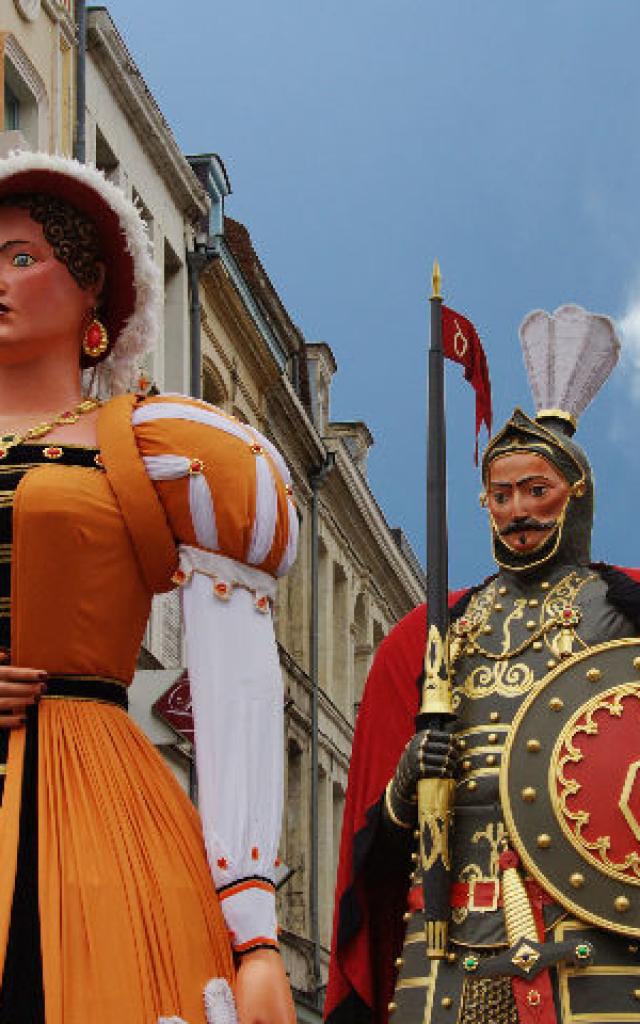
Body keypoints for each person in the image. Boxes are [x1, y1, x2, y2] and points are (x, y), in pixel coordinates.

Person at [0, 150, 297, 1024]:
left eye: (23, 257)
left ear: (94, 292)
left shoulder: (156, 446)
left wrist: (255, 931)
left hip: (92, 797)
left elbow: (237, 678)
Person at [325, 304, 640, 1024]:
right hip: (445, 936)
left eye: (537, 491)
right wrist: (408, 780)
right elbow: (382, 832)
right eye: (501, 495)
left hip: (596, 932)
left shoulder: (622, 611)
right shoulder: (438, 631)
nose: (517, 510)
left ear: (577, 496)